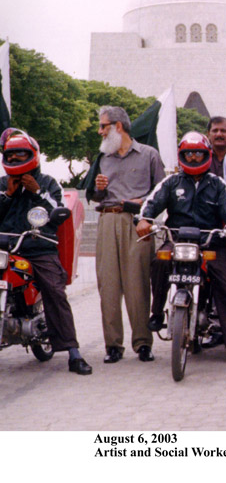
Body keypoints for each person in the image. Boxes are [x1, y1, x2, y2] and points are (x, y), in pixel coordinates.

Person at [136, 132, 226, 366]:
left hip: (210, 242)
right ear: (182, 155)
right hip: (177, 239)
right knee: (160, 260)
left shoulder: (217, 184)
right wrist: (144, 219)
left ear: (207, 155)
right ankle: (157, 312)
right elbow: (151, 203)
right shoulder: (171, 182)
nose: (193, 158)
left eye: (198, 154)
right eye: (189, 154)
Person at [0, 129, 91, 375]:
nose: (15, 158)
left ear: (33, 155)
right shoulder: (2, 184)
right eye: (11, 155)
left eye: (21, 154)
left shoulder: (49, 182)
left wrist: (37, 191)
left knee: (54, 290)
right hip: (6, 248)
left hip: (38, 248)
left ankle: (73, 353)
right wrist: (8, 195)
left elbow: (58, 210)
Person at [87, 106, 165, 364]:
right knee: (108, 285)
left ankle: (142, 344)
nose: (100, 131)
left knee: (138, 284)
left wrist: (142, 204)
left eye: (103, 126)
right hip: (107, 220)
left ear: (118, 126)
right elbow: (94, 196)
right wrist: (98, 189)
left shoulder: (149, 155)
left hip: (137, 223)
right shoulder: (103, 157)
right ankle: (113, 345)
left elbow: (161, 192)